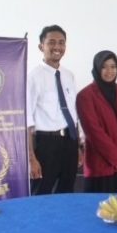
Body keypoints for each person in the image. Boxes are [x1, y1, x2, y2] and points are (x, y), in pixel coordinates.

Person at [26, 25, 82, 195]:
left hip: (69, 142)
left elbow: (73, 114)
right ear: (41, 46)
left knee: (67, 192)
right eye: (51, 42)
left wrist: (77, 146)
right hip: (46, 144)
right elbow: (26, 120)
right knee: (41, 194)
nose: (57, 47)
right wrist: (31, 158)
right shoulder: (33, 78)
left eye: (61, 42)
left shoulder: (69, 75)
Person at [77, 51, 117, 193]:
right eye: (104, 66)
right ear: (97, 68)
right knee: (98, 205)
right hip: (100, 165)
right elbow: (93, 132)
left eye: (113, 66)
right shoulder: (85, 95)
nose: (109, 71)